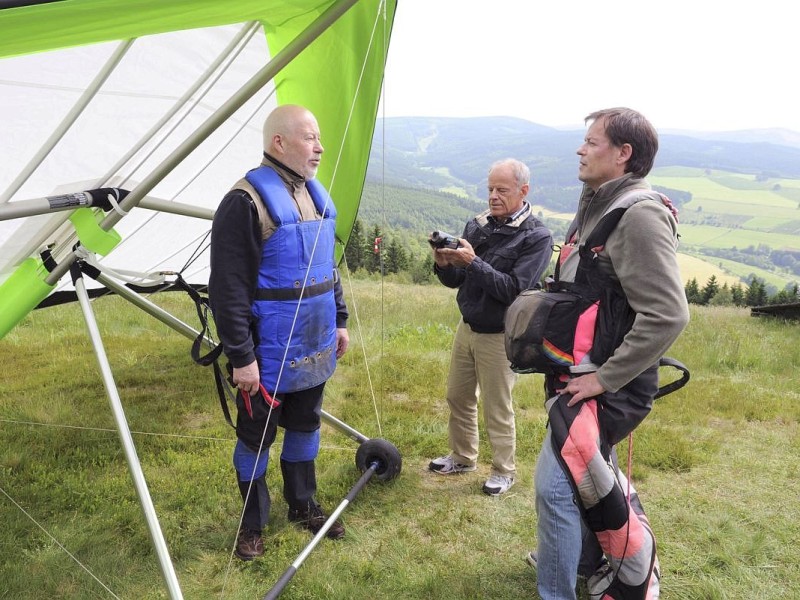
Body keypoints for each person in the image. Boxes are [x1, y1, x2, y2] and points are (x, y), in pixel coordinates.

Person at [529, 108, 690, 599]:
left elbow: (668, 313)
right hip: (582, 370)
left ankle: (557, 591)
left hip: (611, 383)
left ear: (624, 155)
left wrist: (605, 378)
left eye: (592, 142)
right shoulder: (599, 202)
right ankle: (584, 560)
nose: (580, 149)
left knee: (554, 487)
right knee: (588, 475)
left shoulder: (638, 215)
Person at [209, 104, 350, 561]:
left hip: (314, 340)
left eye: (320, 137)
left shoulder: (315, 196)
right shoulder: (245, 202)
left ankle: (302, 503)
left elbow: (327, 268)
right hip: (266, 351)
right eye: (311, 138)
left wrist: (340, 321)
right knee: (257, 437)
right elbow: (227, 289)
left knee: (306, 424)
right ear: (280, 143)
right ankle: (252, 524)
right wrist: (241, 357)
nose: (320, 147)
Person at [428, 158, 553, 495]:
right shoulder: (478, 225)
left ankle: (504, 470)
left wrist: (474, 262)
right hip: (467, 326)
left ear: (523, 191)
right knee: (458, 396)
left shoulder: (537, 236)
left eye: (502, 190)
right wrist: (443, 264)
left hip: (501, 334)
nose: (493, 196)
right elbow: (458, 280)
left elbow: (514, 290)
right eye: (490, 189)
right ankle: (463, 457)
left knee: (497, 405)